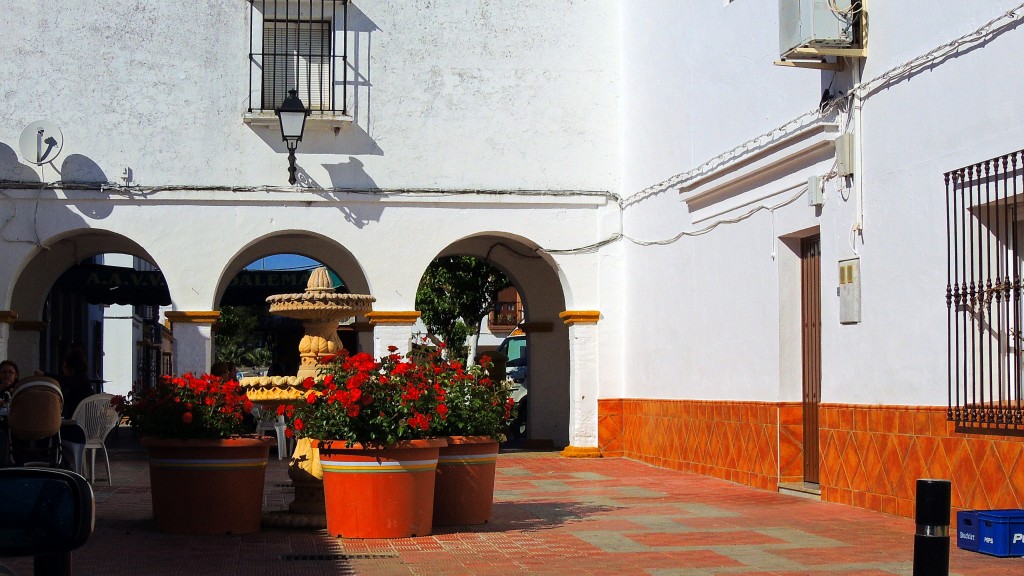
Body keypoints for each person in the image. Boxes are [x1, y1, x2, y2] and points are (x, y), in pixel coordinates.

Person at [57, 348, 94, 420]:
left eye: (65, 367)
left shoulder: (76, 383)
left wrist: (44, 375)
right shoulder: (84, 381)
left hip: (76, 424)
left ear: (72, 369)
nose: (62, 369)